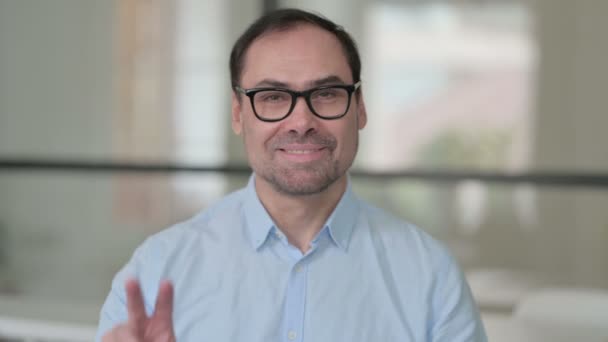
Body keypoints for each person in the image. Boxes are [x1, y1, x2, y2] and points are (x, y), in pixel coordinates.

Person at [97, 8, 487, 342]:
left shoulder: (429, 276)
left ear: (360, 107)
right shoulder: (157, 270)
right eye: (273, 97)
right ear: (238, 113)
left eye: (327, 93)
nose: (301, 121)